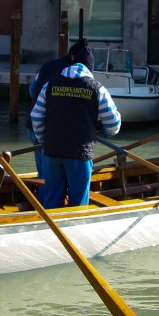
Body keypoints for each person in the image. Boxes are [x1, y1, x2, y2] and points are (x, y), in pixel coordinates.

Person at [30, 44, 121, 208]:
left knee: (52, 199)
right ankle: (74, 229)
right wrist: (108, 133)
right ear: (90, 68)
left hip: (52, 151)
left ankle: (51, 228)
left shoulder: (50, 85)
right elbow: (113, 122)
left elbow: (36, 116)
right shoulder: (97, 88)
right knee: (78, 203)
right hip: (80, 153)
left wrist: (44, 140)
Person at [26, 39, 94, 178]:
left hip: (32, 126)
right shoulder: (74, 75)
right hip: (53, 131)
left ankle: (43, 197)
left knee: (44, 175)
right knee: (52, 177)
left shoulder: (47, 66)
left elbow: (32, 90)